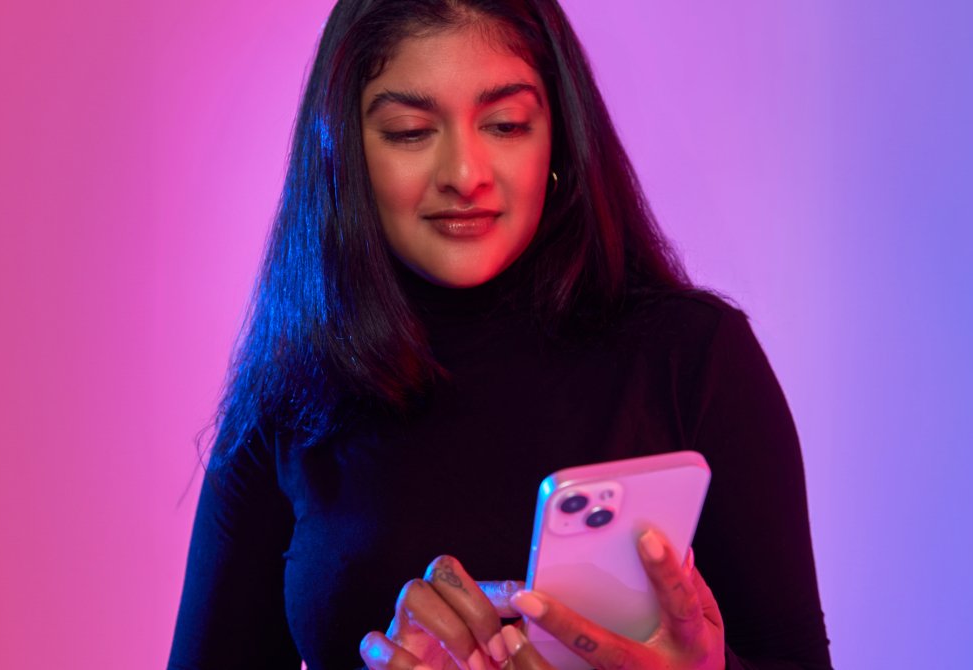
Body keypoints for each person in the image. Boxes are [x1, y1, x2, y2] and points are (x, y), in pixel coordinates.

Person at [168, 1, 832, 669]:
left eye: (506, 124)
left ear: (559, 139)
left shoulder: (696, 360)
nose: (465, 174)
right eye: (409, 132)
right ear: (343, 151)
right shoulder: (289, 401)